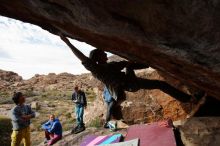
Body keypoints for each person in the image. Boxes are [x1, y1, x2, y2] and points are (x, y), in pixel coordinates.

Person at [60, 34, 196, 103]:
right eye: (103, 53)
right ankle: (188, 99)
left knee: (159, 84)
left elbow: (125, 63)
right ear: (97, 58)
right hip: (129, 84)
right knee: (157, 82)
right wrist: (68, 42)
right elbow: (83, 58)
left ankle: (151, 63)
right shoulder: (98, 70)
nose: (106, 54)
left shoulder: (110, 65)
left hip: (130, 81)